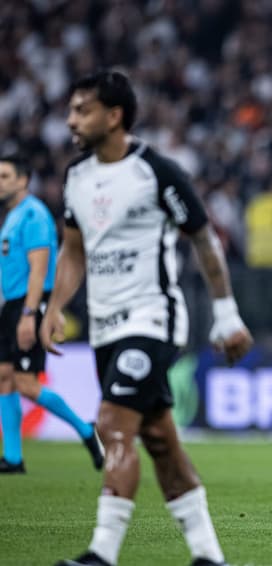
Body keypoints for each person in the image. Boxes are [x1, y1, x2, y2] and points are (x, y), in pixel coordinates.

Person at [40, 71, 253, 566]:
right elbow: (73, 253)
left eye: (82, 110)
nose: (71, 120)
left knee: (113, 423)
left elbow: (203, 238)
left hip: (152, 318)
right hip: (104, 324)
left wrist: (226, 314)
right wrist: (53, 308)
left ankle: (102, 552)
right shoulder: (77, 176)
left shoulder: (156, 171)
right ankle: (208, 555)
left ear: (114, 116)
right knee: (160, 440)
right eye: (71, 110)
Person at [0, 154, 103, 474]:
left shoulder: (33, 215)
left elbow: (39, 267)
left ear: (23, 180)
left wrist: (30, 313)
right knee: (3, 378)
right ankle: (14, 458)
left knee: (27, 384)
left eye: (4, 176)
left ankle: (86, 430)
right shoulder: (13, 216)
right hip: (13, 304)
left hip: (30, 303)